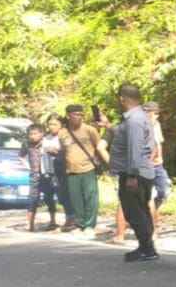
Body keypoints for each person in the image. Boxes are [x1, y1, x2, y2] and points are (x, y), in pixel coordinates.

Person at [108, 83, 158, 262]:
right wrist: (108, 126)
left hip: (135, 173)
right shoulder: (137, 117)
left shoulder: (135, 120)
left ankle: (147, 248)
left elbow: (135, 148)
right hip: (140, 170)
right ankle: (146, 246)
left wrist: (132, 175)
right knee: (139, 210)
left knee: (135, 211)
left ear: (122, 98)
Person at [57, 104, 106, 235]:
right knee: (76, 198)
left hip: (88, 168)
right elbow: (63, 150)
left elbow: (98, 146)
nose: (79, 117)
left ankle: (90, 224)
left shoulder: (89, 130)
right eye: (76, 115)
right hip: (72, 171)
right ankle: (80, 223)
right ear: (68, 116)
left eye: (81, 115)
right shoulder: (62, 132)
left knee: (90, 196)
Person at [18, 123, 60, 232]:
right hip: (35, 174)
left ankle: (53, 221)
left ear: (41, 133)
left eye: (35, 134)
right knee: (33, 198)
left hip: (48, 174)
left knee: (49, 198)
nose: (33, 136)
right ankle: (30, 224)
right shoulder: (27, 144)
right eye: (30, 134)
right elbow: (21, 156)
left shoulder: (47, 142)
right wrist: (28, 167)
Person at [44, 114, 73, 228]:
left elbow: (70, 152)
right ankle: (53, 221)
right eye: (50, 124)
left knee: (65, 195)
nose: (52, 127)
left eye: (55, 124)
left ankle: (70, 218)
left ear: (61, 125)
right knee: (51, 196)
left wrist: (57, 152)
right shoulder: (46, 138)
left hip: (63, 170)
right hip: (49, 170)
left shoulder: (66, 136)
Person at [144, 101, 170, 230]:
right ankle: (146, 217)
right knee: (146, 194)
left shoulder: (156, 125)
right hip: (146, 165)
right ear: (146, 112)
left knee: (164, 191)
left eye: (158, 113)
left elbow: (159, 142)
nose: (157, 116)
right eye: (155, 113)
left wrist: (161, 158)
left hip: (158, 164)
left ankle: (150, 214)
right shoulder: (140, 126)